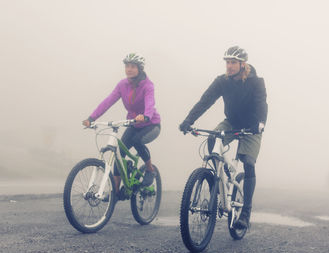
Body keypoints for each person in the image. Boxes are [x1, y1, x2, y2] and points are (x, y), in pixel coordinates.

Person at [179, 46, 268, 230]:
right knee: (212, 139)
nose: (229, 66)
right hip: (232, 122)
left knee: (248, 162)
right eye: (227, 62)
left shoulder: (256, 82)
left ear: (242, 64)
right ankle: (221, 181)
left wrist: (260, 123)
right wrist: (189, 120)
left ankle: (245, 213)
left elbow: (261, 103)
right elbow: (205, 101)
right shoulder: (222, 81)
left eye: (233, 62)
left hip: (251, 127)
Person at [82, 53, 161, 200]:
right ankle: (116, 192)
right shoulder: (122, 85)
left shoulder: (147, 85)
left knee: (137, 141)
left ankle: (150, 170)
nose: (129, 69)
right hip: (133, 123)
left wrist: (145, 115)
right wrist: (92, 118)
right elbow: (108, 101)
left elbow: (150, 103)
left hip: (151, 124)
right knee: (118, 154)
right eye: (127, 66)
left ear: (139, 68)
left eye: (132, 66)